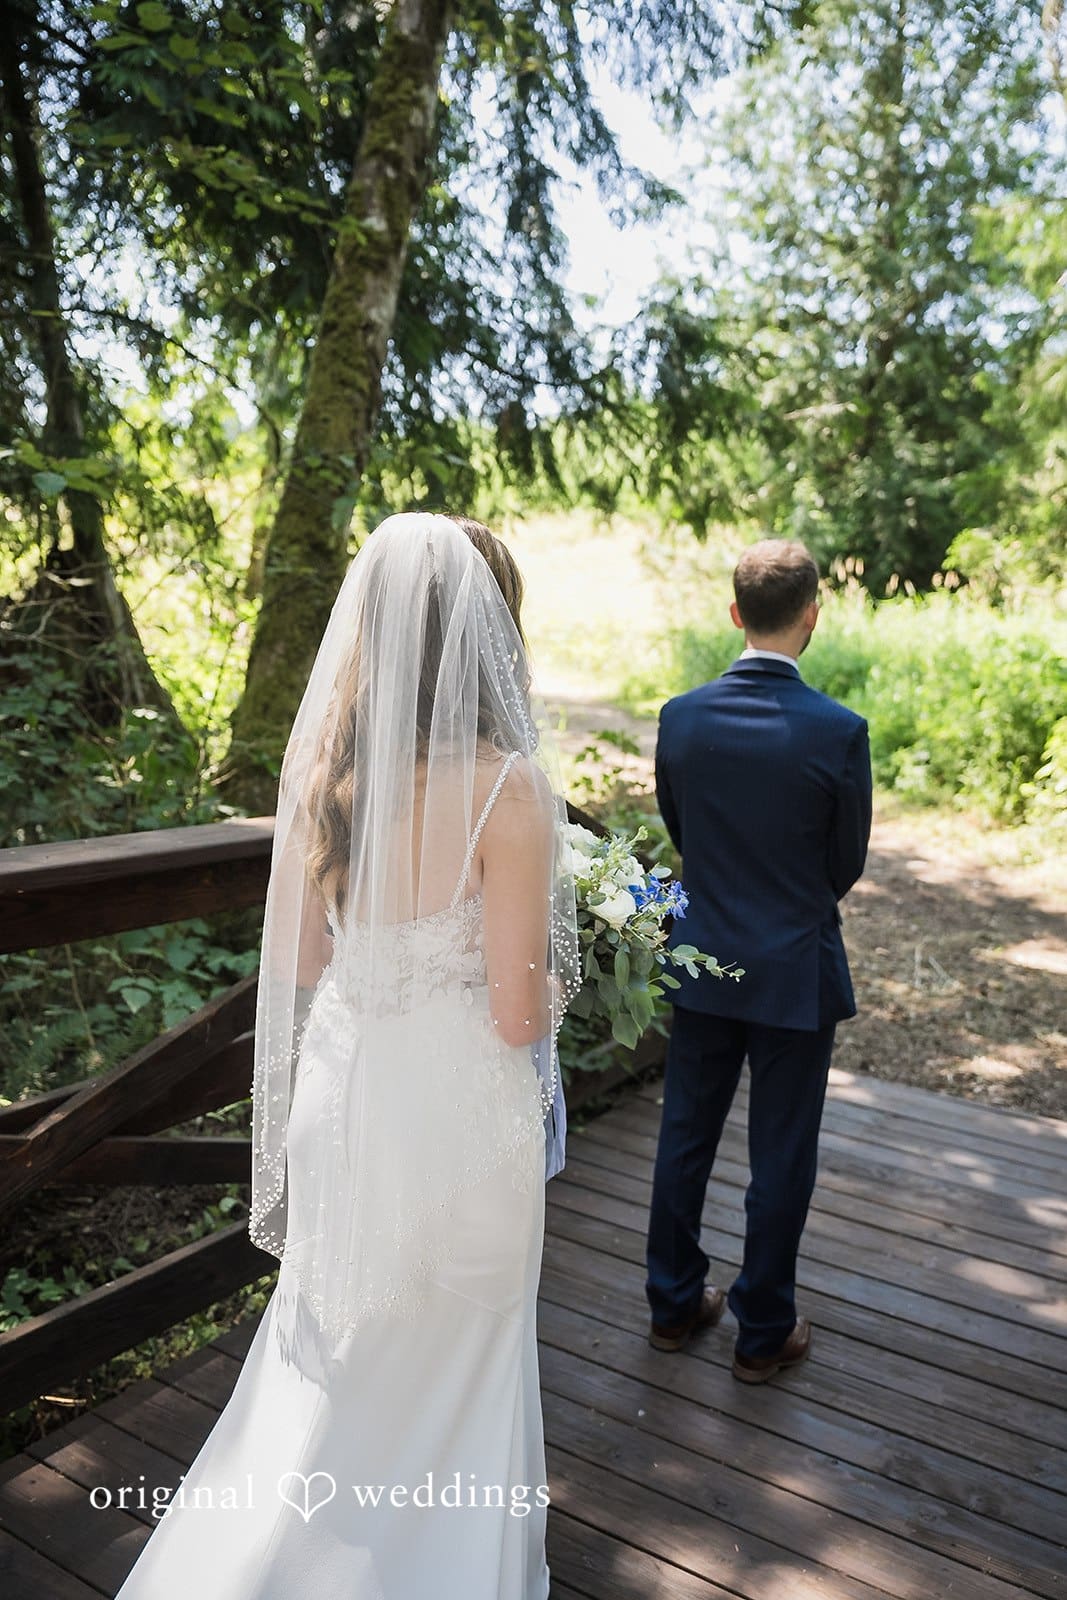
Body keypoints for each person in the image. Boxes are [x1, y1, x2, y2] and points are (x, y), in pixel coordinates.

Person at [114, 512, 580, 1598]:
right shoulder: (509, 788)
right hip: (457, 1117)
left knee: (329, 1356)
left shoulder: (329, 765)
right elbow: (516, 1020)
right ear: (487, 630)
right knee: (452, 1366)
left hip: (345, 1092)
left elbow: (303, 955)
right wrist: (560, 977)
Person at [645, 538, 872, 1382]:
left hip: (702, 957)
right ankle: (760, 1330)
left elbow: (682, 832)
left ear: (734, 613)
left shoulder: (680, 717)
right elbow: (842, 862)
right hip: (792, 970)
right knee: (780, 1152)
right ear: (811, 613)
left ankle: (671, 1306)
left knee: (684, 1136)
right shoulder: (838, 732)